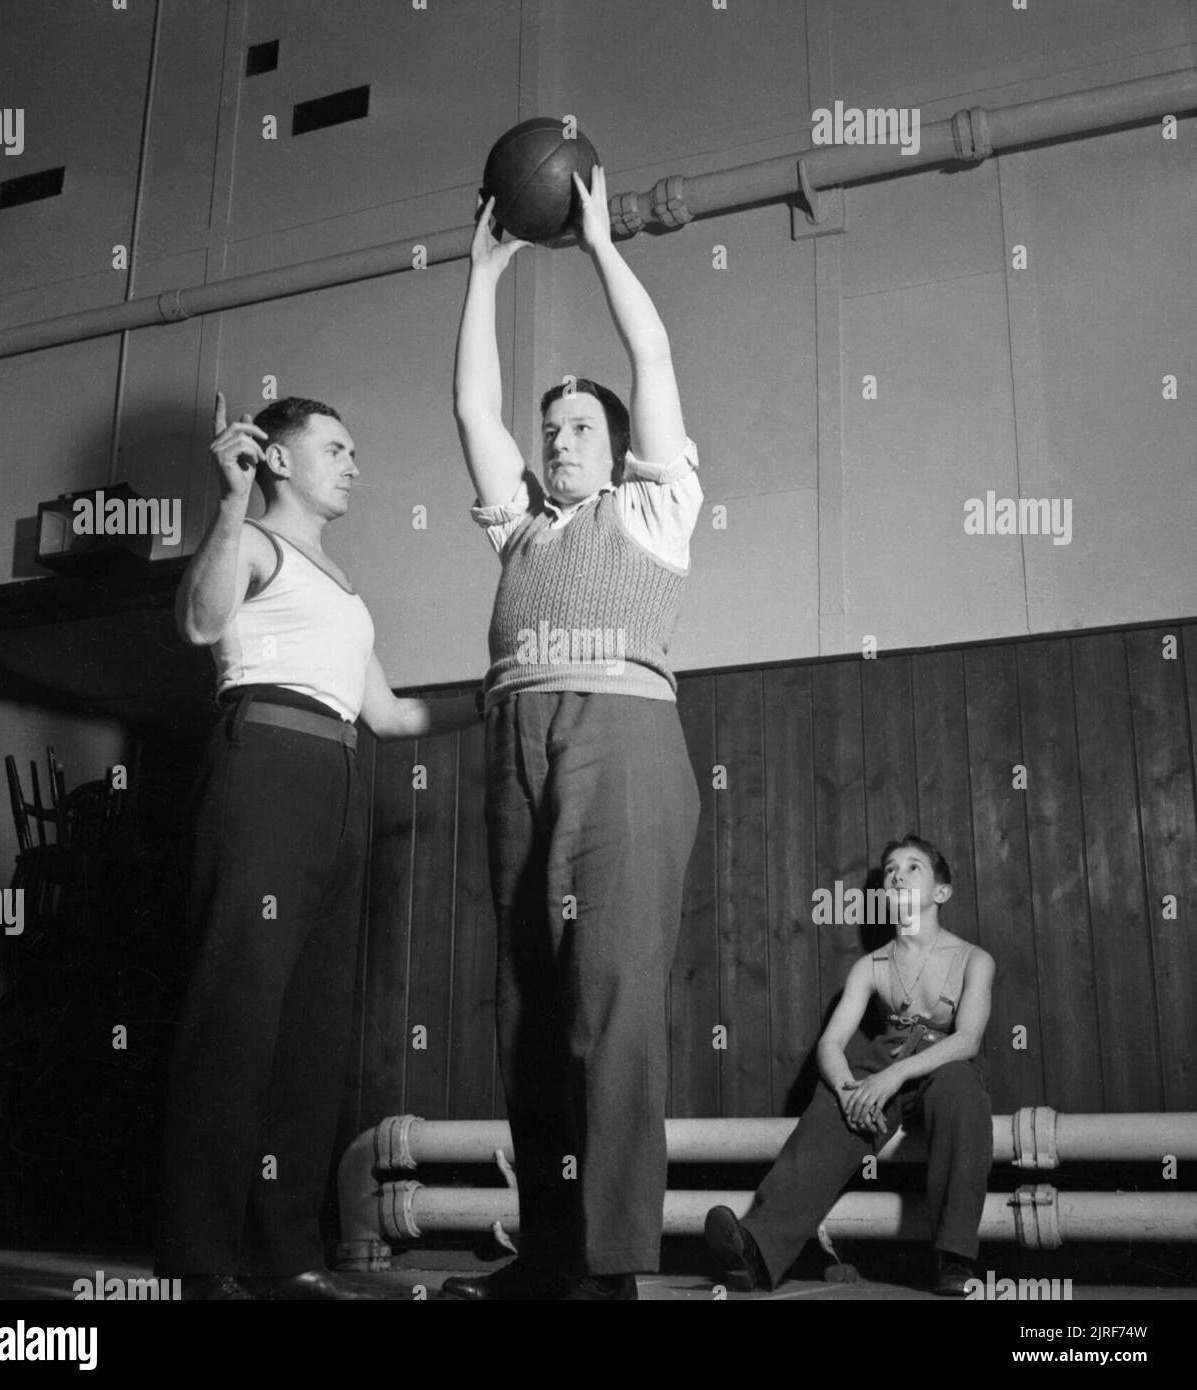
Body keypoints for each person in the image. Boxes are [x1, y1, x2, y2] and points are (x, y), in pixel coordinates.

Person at [441, 167, 702, 1301]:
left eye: (580, 425)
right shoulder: (524, 535)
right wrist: (481, 275)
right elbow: (469, 412)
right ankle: (551, 1252)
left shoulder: (653, 508)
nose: (558, 439)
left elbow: (654, 357)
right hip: (514, 734)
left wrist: (598, 245)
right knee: (532, 1010)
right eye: (550, 428)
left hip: (622, 734)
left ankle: (611, 1266)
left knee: (612, 1000)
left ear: (622, 441)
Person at [155, 393, 479, 1300]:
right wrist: (227, 503)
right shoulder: (253, 542)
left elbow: (391, 714)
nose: (353, 464)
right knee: (236, 1017)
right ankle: (200, 1258)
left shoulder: (343, 587)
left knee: (311, 1034)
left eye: (354, 449)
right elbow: (198, 624)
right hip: (263, 765)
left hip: (341, 778)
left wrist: (500, 693)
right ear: (280, 460)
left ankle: (283, 1251)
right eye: (336, 448)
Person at [704, 834, 995, 1297]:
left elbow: (968, 1039)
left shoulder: (973, 959)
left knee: (963, 1096)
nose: (897, 874)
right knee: (830, 1107)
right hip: (886, 1055)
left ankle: (955, 1262)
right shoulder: (870, 967)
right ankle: (755, 1250)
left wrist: (894, 1076)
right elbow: (831, 1044)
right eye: (890, 871)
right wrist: (845, 1091)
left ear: (942, 892)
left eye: (913, 867)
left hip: (944, 1061)